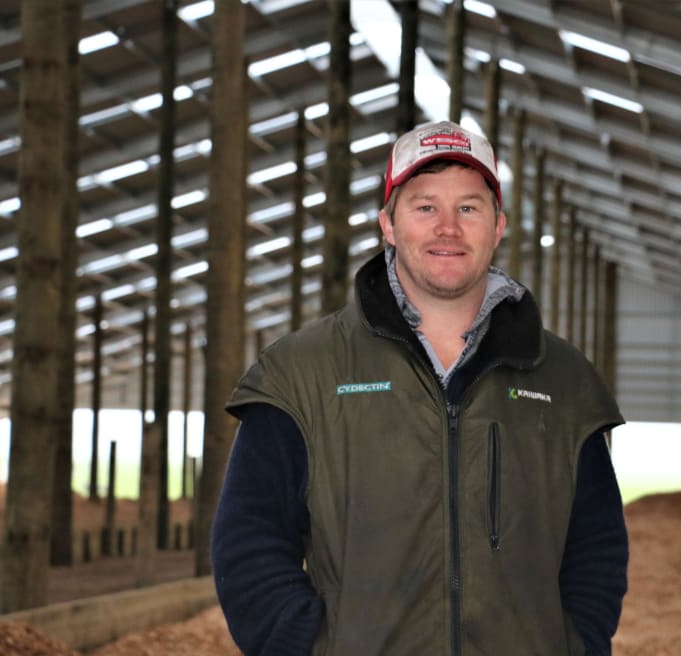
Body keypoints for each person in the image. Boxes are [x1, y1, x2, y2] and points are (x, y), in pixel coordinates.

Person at [212, 119, 629, 655]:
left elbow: (595, 548)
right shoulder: (303, 374)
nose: (448, 228)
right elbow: (248, 540)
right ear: (388, 223)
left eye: (469, 208)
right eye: (425, 206)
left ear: (498, 225)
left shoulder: (562, 381)